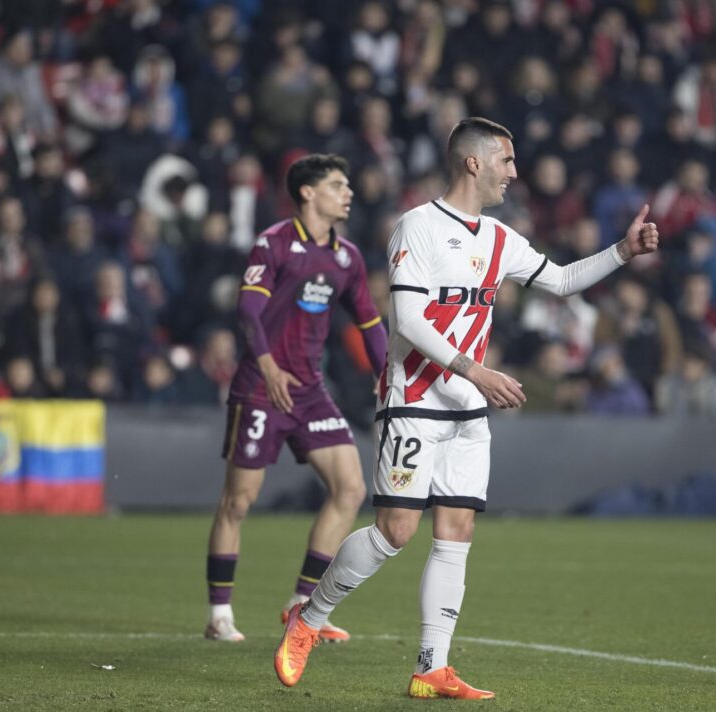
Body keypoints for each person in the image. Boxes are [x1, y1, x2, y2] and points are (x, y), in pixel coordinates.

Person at [275, 117, 659, 699]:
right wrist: (477, 371)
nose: (514, 172)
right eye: (506, 160)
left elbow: (560, 280)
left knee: (456, 531)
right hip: (413, 400)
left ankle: (431, 667)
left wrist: (623, 251)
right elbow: (408, 319)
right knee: (395, 531)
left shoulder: (500, 237)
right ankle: (309, 618)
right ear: (474, 162)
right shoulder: (418, 226)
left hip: (466, 411)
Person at [204, 154, 387, 643]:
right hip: (261, 388)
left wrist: (385, 372)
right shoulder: (274, 243)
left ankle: (302, 605)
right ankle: (219, 614)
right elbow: (248, 311)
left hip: (309, 390)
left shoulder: (347, 256)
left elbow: (369, 321)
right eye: (337, 185)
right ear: (308, 193)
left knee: (350, 489)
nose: (348, 193)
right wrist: (267, 365)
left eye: (347, 184)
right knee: (238, 501)